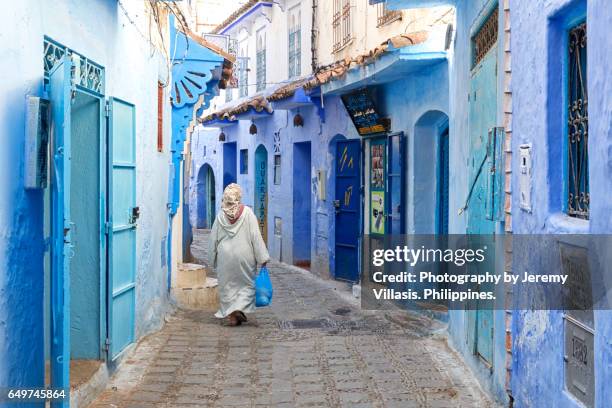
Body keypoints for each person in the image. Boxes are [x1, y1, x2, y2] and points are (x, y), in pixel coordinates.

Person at [209, 183, 270, 326]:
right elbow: (255, 236)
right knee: (246, 285)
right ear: (238, 197)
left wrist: (212, 259)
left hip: (225, 256)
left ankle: (232, 315)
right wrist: (263, 257)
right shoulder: (248, 213)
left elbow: (213, 239)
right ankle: (238, 310)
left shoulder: (220, 216)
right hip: (245, 255)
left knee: (228, 286)